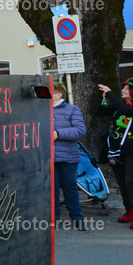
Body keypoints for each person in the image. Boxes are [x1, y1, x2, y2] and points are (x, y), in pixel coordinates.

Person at [96, 78, 133, 230]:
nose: (123, 90)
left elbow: (126, 111)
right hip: (116, 150)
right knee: (121, 181)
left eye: (127, 88)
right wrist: (104, 100)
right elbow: (100, 113)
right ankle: (128, 211)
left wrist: (110, 93)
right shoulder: (119, 106)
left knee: (131, 182)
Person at [52, 82, 87, 229]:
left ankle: (77, 218)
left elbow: (80, 130)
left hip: (68, 157)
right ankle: (53, 220)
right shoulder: (40, 110)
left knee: (70, 188)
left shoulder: (72, 109)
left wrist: (58, 134)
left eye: (50, 92)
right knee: (51, 189)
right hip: (48, 156)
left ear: (59, 94)